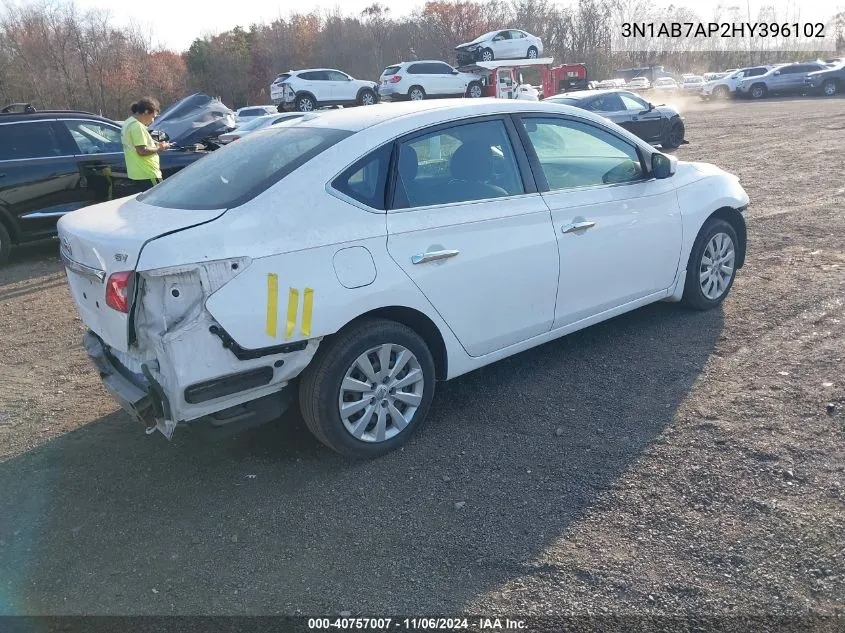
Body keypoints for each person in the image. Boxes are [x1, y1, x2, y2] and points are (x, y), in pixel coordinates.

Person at [120, 97, 170, 194]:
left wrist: (155, 144)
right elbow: (141, 151)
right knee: (158, 199)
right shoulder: (137, 127)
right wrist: (160, 148)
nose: (153, 121)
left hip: (137, 172)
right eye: (153, 116)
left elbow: (135, 145)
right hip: (147, 172)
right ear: (146, 111)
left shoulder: (128, 122)